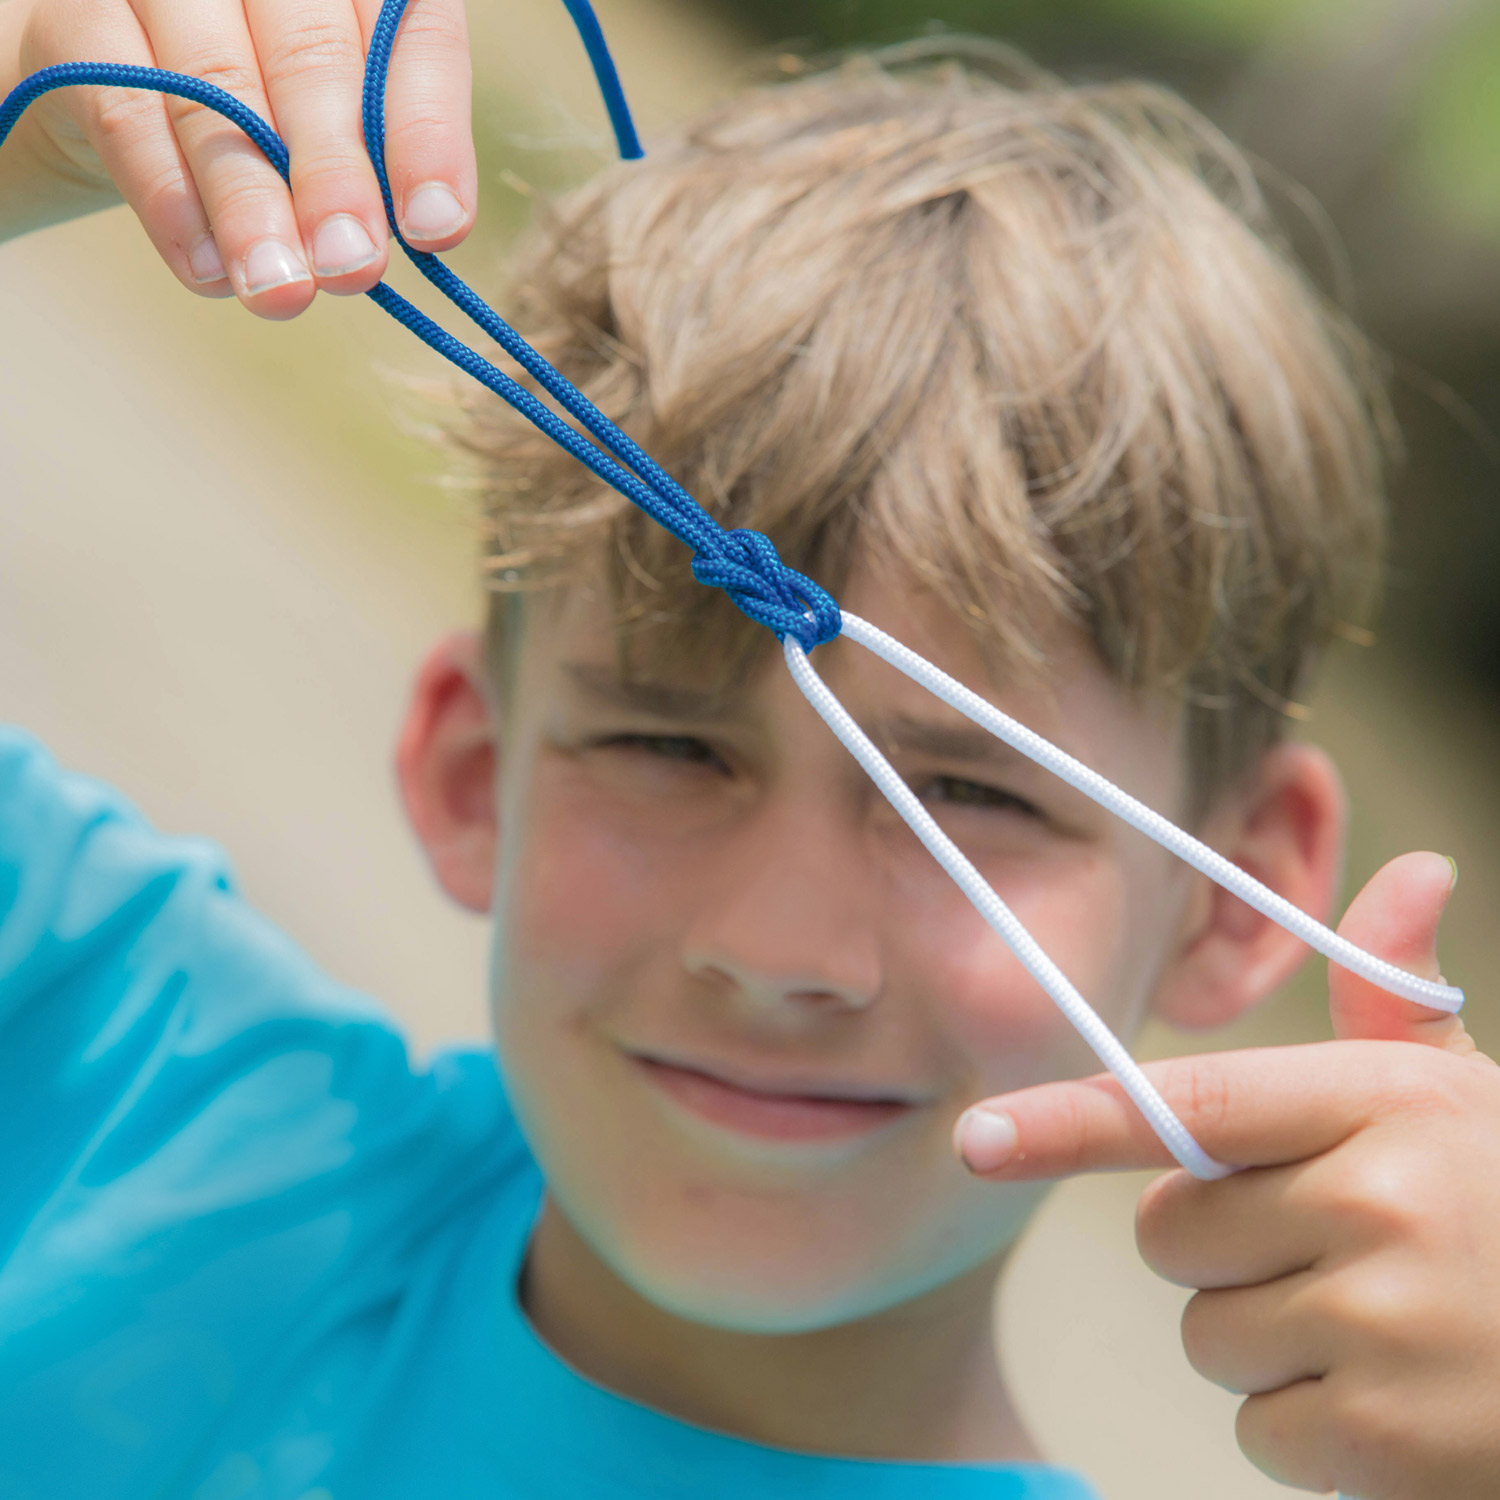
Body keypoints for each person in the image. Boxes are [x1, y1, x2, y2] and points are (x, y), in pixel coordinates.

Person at [2, 4, 1498, 1498]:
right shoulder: (110, 1091)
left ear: (1235, 898)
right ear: (474, 767)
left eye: (967, 793)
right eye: (669, 748)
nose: (779, 948)